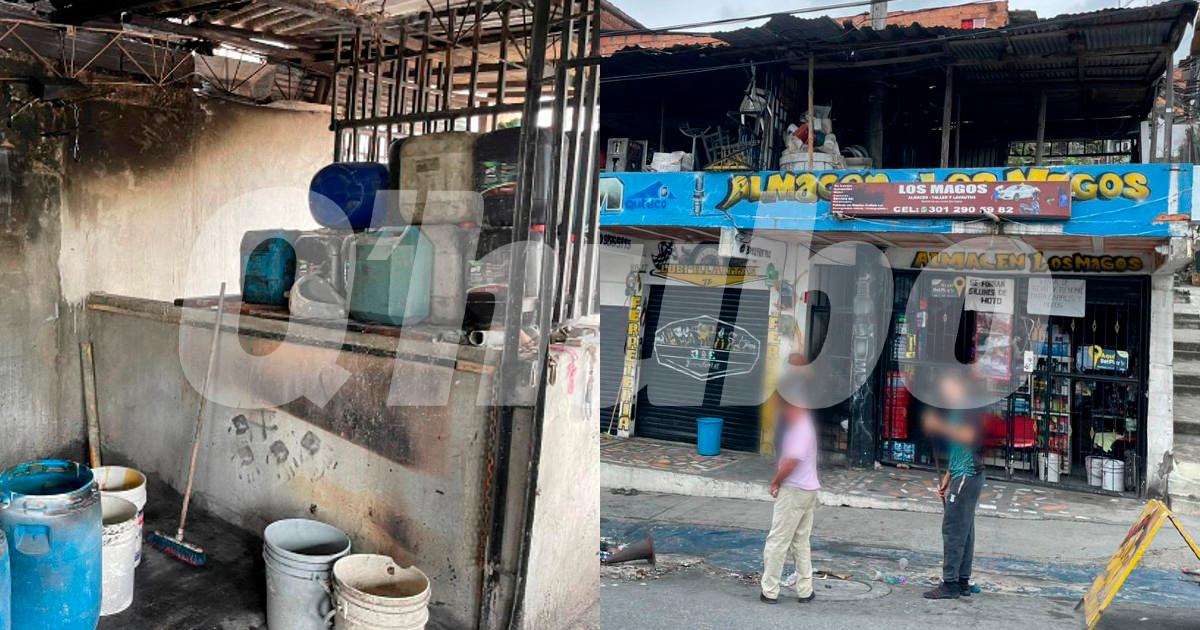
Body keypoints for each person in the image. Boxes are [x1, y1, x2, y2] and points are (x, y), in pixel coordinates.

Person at [921, 371, 984, 600]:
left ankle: (950, 584)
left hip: (968, 475)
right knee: (964, 530)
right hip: (962, 474)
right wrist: (948, 476)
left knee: (954, 530)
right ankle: (961, 581)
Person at [760, 388, 820, 604]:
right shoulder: (803, 425)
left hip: (794, 491)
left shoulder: (800, 428)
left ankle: (769, 590)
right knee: (800, 542)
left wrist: (776, 481)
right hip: (808, 490)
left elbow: (792, 461)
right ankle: (805, 590)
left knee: (777, 541)